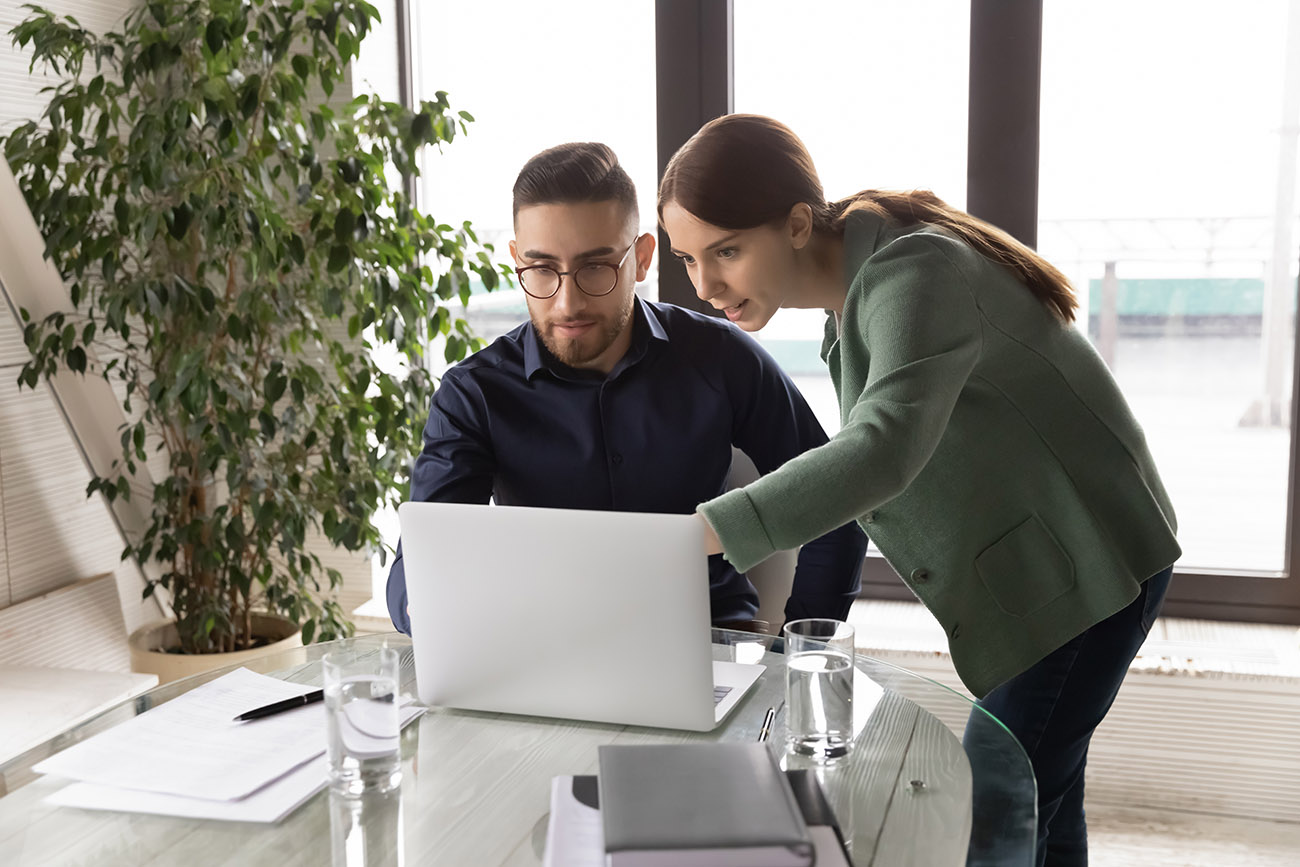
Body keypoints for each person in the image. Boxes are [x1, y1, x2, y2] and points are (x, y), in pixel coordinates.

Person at [658, 114, 1179, 866]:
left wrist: (697, 533)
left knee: (996, 799)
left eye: (726, 252)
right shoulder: (862, 286)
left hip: (1093, 566)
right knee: (1043, 798)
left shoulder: (913, 271)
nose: (705, 285)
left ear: (798, 223)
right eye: (687, 259)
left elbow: (880, 449)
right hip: (1056, 566)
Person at [386, 141, 867, 636]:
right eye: (542, 269)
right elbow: (417, 569)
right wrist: (429, 606)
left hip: (709, 644)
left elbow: (836, 503)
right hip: (543, 650)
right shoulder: (474, 394)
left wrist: (804, 650)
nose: (567, 302)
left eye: (595, 267)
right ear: (516, 260)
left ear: (641, 259)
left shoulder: (721, 359)